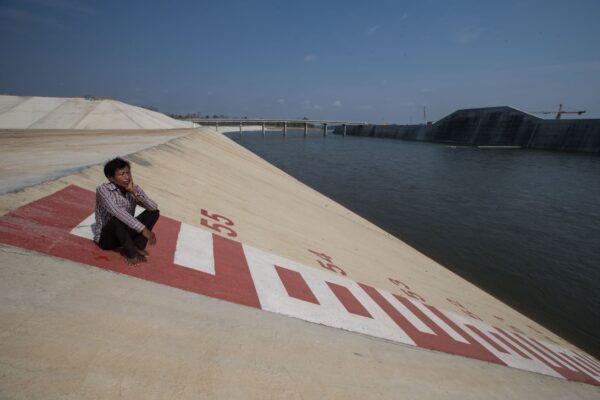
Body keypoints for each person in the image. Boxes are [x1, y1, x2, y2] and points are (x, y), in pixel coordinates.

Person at [93, 157, 160, 265]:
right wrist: (143, 229)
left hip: (124, 234)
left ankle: (137, 246)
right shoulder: (103, 190)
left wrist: (134, 192)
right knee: (118, 219)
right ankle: (130, 253)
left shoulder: (133, 188)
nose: (127, 177)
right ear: (111, 178)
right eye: (121, 174)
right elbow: (117, 211)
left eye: (128, 173)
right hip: (106, 239)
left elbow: (153, 207)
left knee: (154, 213)